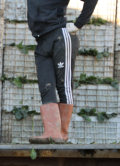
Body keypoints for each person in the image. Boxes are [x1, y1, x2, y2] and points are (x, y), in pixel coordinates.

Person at [27, 0, 98, 143]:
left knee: (63, 84)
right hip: (41, 41)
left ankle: (62, 133)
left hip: (60, 35)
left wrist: (78, 24)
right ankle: (51, 132)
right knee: (46, 87)